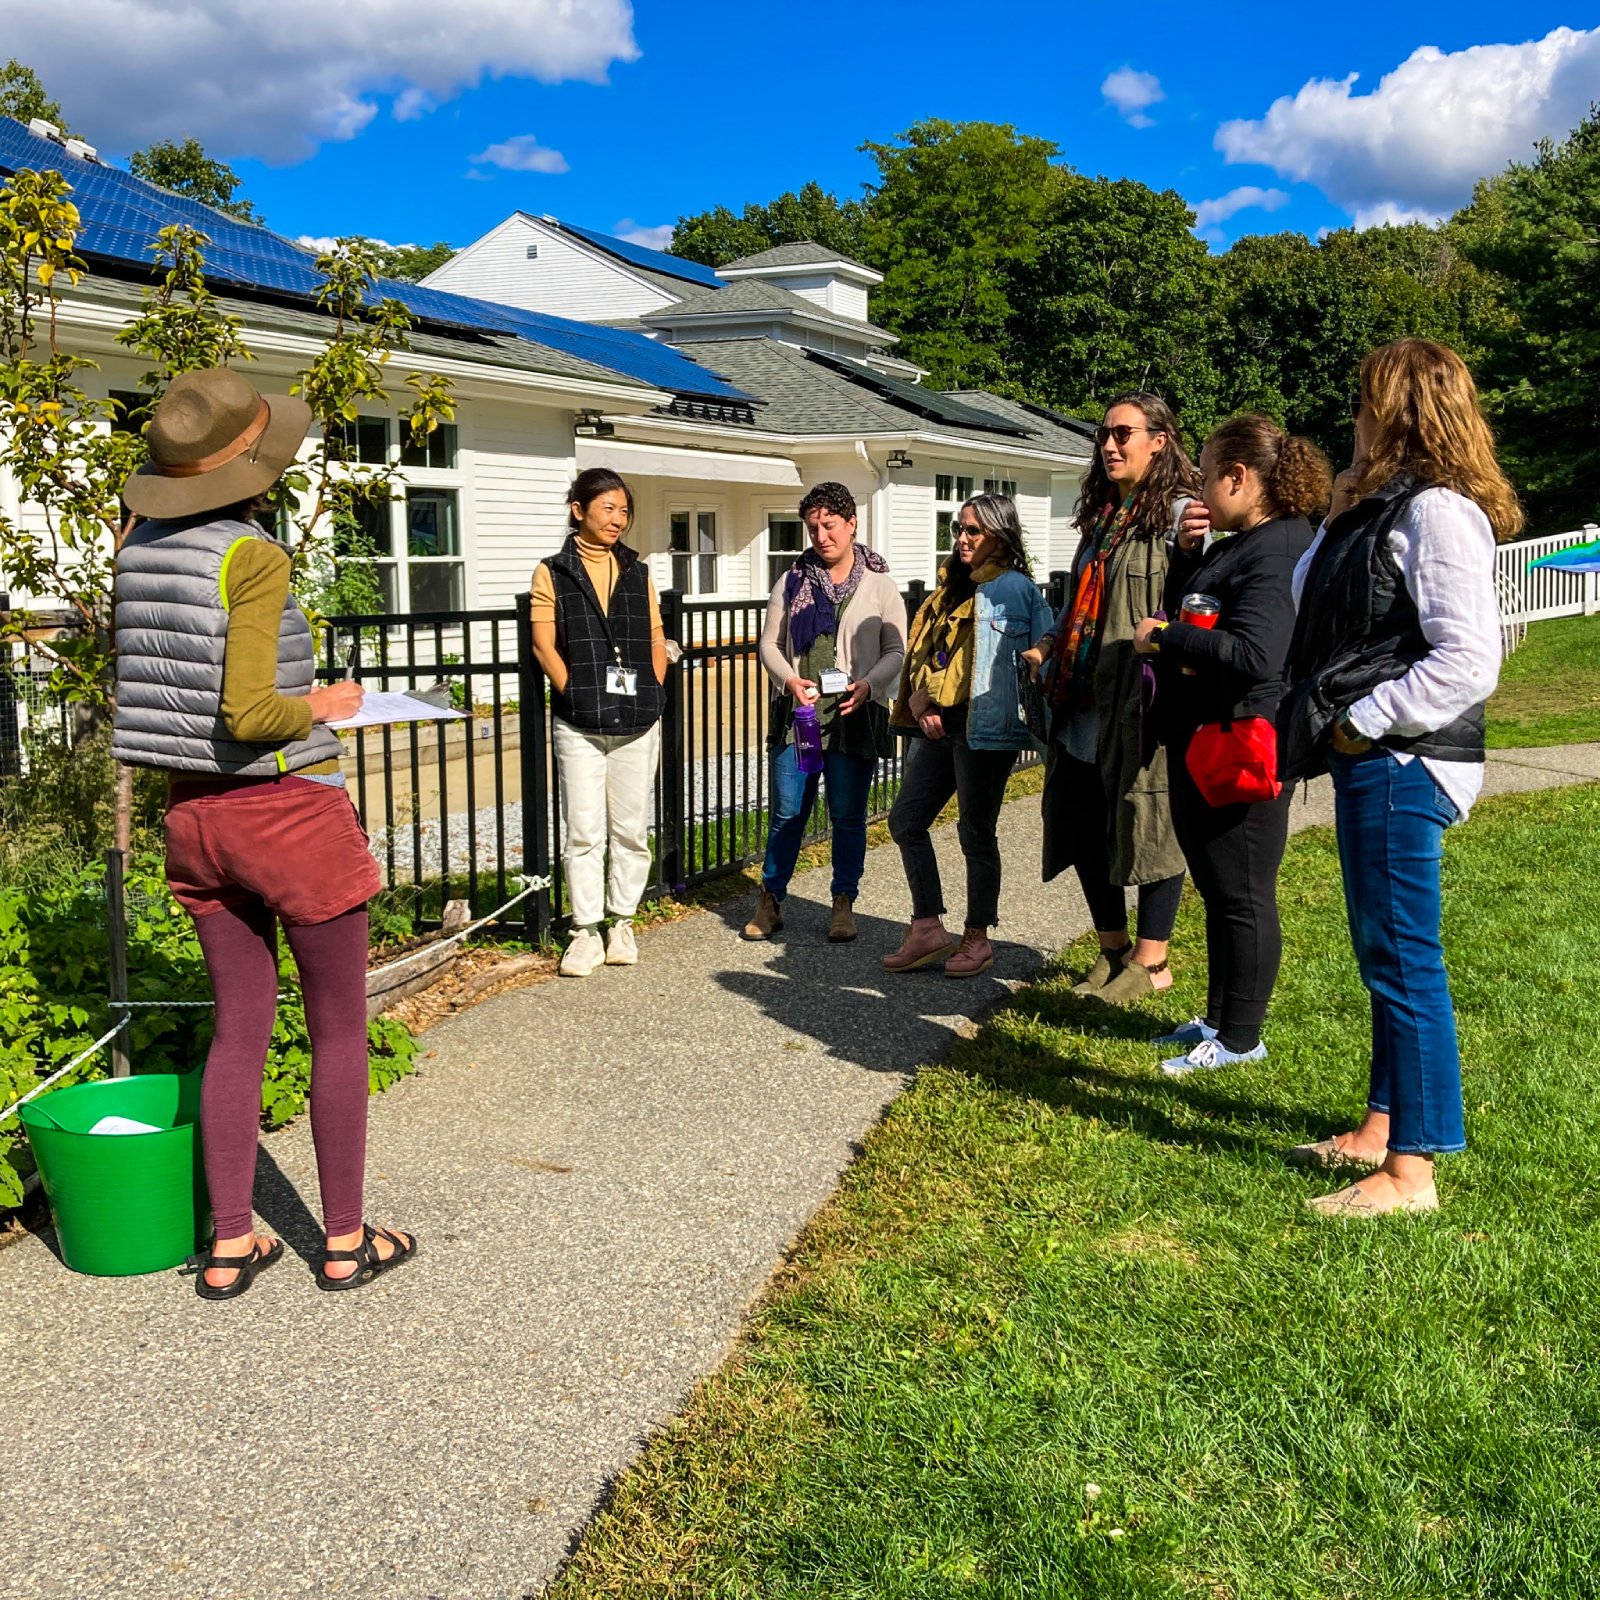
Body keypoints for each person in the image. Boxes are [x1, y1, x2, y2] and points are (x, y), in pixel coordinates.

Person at [112, 367, 415, 1298]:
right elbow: (250, 709)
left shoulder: (137, 551)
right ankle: (345, 1239)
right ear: (251, 461)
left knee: (238, 1026)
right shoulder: (253, 554)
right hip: (284, 809)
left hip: (195, 815)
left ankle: (232, 1242)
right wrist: (325, 702)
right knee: (336, 1028)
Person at [1278, 337, 1522, 1217]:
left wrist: (1361, 721)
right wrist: (1342, 504)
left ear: (1399, 412)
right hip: (1382, 758)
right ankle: (1382, 1128)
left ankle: (1411, 1172)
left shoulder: (1439, 513)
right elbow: (1312, 603)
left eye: (1364, 400)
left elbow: (1469, 658)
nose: (1352, 415)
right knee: (1386, 954)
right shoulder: (1384, 509)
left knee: (1405, 961)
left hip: (1404, 759)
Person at [1132, 414, 1331, 1075]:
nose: (1199, 489)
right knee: (1219, 890)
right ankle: (1219, 1018)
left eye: (1206, 475)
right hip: (1210, 738)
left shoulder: (1278, 550)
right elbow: (1194, 604)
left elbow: (1254, 653)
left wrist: (1165, 638)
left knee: (1243, 892)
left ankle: (1243, 1038)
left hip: (1246, 741)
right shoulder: (1241, 542)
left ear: (1240, 478)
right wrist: (1188, 558)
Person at [1021, 392, 1205, 1005]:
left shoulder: (1178, 517)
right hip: (1081, 700)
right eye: (1104, 434)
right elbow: (1080, 609)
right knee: (1076, 824)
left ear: (1159, 441)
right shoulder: (1100, 520)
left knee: (1148, 820)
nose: (1109, 444)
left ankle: (1154, 962)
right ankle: (1113, 951)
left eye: (1123, 433)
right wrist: (1049, 644)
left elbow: (1194, 594)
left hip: (1139, 702)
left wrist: (1191, 541)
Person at [884, 494, 1053, 978]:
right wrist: (920, 697)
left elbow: (1045, 650)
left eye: (973, 531)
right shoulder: (949, 589)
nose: (961, 538)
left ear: (999, 535)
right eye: (959, 529)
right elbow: (928, 655)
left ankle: (977, 937)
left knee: (975, 833)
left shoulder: (1017, 590)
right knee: (906, 821)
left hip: (985, 728)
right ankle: (927, 927)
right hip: (938, 725)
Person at [747, 483, 906, 943]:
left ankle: (843, 902)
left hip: (854, 718)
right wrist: (790, 681)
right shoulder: (792, 580)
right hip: (800, 719)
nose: (821, 535)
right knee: (788, 812)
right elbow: (769, 644)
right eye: (813, 526)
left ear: (852, 523)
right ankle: (771, 900)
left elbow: (897, 649)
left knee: (848, 815)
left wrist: (870, 684)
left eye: (829, 525)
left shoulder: (879, 584)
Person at [530, 468, 668, 978]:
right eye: (608, 508)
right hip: (578, 721)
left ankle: (622, 921)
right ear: (579, 510)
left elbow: (656, 635)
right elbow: (544, 643)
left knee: (630, 829)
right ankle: (585, 930)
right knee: (584, 830)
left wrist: (653, 686)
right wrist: (574, 691)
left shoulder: (638, 569)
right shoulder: (553, 571)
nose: (618, 519)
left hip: (637, 717)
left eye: (624, 510)